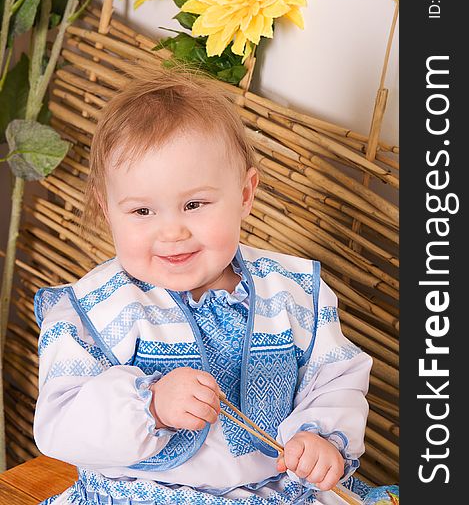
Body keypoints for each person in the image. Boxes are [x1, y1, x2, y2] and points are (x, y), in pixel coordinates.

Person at [33, 65, 376, 504]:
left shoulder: (291, 293)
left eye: (194, 204)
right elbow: (60, 425)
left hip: (276, 493)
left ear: (245, 194)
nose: (172, 232)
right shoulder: (96, 310)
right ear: (107, 208)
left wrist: (321, 436)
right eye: (142, 212)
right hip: (141, 495)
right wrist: (150, 405)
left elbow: (335, 376)